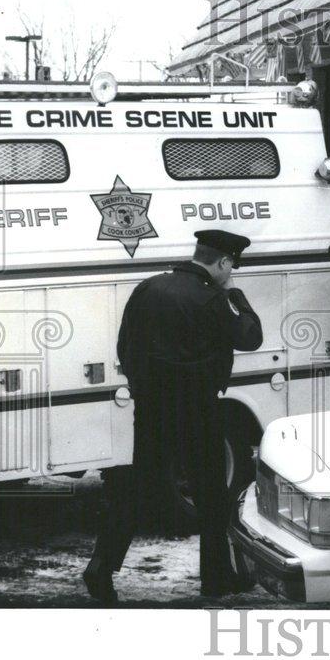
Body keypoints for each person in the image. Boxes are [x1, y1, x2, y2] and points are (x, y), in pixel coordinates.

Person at [83, 230, 263, 603]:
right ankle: (216, 577)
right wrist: (239, 298)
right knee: (212, 496)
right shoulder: (217, 298)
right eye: (231, 267)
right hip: (199, 410)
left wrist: (143, 388)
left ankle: (100, 568)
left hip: (152, 409)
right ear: (224, 263)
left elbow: (125, 346)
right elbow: (250, 337)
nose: (231, 273)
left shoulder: (148, 288)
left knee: (134, 491)